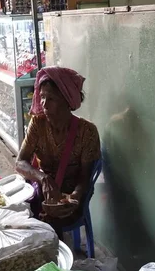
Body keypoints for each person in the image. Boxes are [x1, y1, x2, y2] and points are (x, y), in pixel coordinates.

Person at [16, 66, 100, 235]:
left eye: (51, 98)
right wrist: (43, 178)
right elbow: (20, 162)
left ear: (67, 101)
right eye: (42, 97)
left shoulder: (87, 131)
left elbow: (84, 179)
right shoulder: (37, 124)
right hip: (42, 189)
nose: (44, 104)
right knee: (18, 211)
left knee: (50, 221)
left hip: (71, 196)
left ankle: (52, 256)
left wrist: (73, 197)